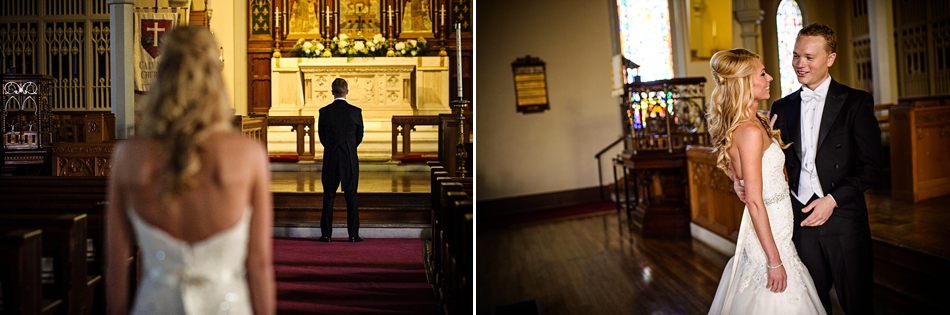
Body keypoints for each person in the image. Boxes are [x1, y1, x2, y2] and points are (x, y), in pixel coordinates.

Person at [105, 26, 276, 315]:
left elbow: (116, 262)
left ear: (163, 76)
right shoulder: (248, 155)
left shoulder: (128, 157)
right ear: (215, 77)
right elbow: (258, 262)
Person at [757, 23, 883, 314]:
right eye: (796, 55)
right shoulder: (781, 106)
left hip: (844, 220)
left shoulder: (855, 102)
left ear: (830, 58)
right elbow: (770, 160)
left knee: (857, 303)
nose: (800, 64)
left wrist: (833, 200)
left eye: (809, 57)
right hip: (799, 222)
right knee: (811, 306)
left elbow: (872, 167)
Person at [706, 48, 826, 315]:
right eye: (762, 73)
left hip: (777, 226)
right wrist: (773, 261)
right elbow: (753, 199)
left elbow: (739, 174)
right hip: (769, 229)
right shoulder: (748, 130)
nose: (770, 77)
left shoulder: (754, 122)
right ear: (744, 82)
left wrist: (737, 181)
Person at [317, 78, 364, 243]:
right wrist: (349, 147)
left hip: (330, 157)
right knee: (351, 195)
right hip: (349, 158)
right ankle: (353, 235)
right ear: (347, 91)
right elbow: (359, 136)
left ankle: (326, 235)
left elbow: (322, 136)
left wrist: (331, 147)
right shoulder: (355, 112)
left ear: (332, 92)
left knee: (328, 195)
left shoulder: (324, 112)